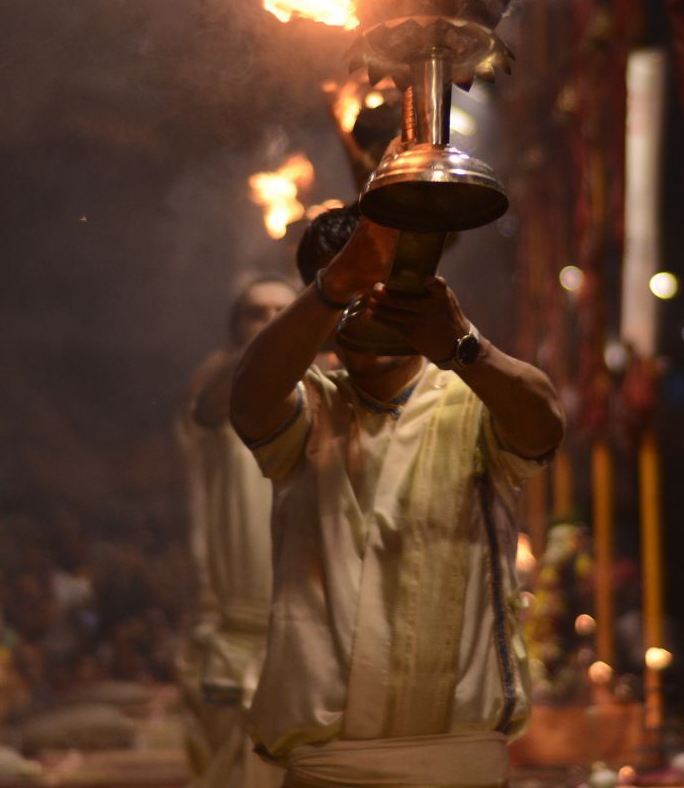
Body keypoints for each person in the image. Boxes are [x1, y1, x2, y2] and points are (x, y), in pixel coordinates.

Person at [229, 208, 564, 788]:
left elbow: (544, 424)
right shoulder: (311, 407)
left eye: (386, 292)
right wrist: (337, 282)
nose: (369, 309)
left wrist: (463, 346)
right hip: (327, 771)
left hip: (458, 765)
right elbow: (249, 402)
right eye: (350, 296)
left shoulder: (475, 396)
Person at [177, 277, 295, 788]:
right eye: (256, 313)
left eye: (282, 312)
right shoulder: (218, 402)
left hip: (315, 625)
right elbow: (208, 402)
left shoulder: (329, 393)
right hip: (237, 624)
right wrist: (264, 349)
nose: (269, 321)